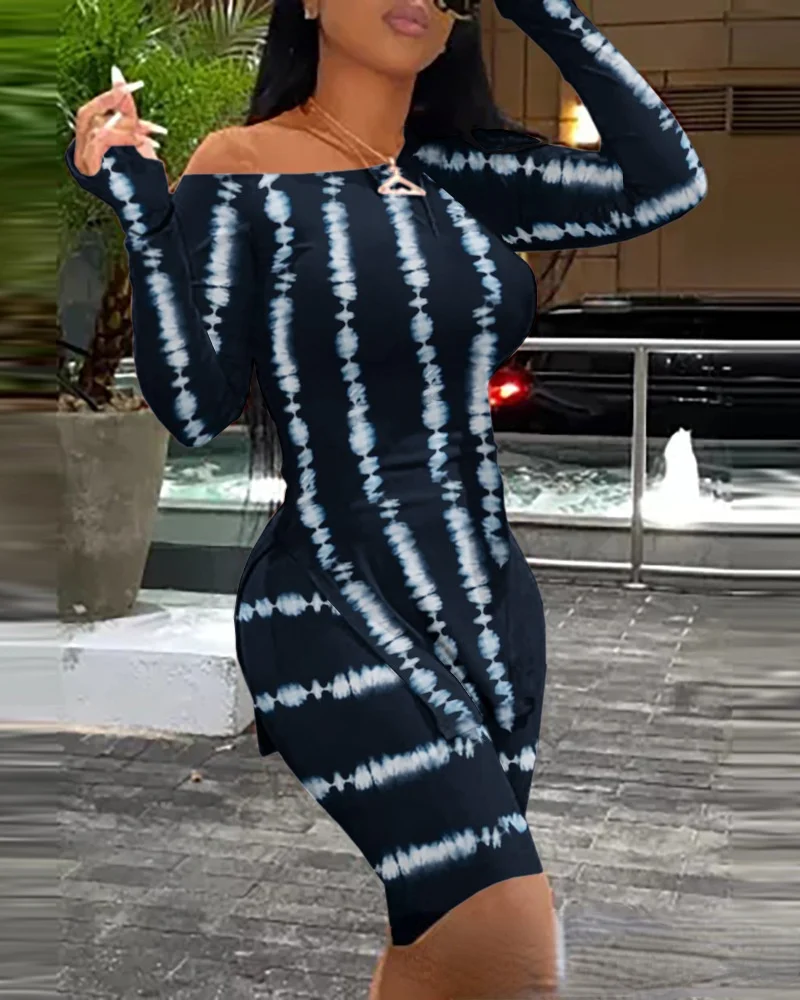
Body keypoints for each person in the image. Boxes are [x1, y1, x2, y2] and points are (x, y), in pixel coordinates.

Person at [64, 1, 707, 996]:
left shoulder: (461, 173)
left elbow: (667, 181)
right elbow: (193, 407)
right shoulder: (241, 167)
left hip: (491, 607)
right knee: (504, 930)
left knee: (437, 935)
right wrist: (144, 213)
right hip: (327, 597)